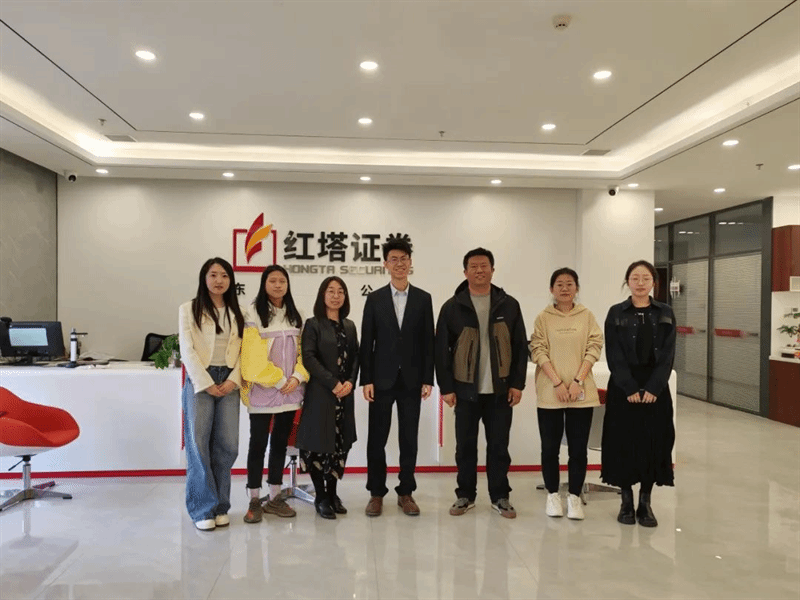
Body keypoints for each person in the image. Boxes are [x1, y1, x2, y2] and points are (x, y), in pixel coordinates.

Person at [435, 248, 528, 519]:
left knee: (499, 446)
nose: (479, 270)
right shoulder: (452, 307)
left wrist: (517, 384)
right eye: (473, 266)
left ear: (492, 270)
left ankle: (500, 496)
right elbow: (441, 351)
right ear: (465, 272)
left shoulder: (509, 305)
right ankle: (465, 494)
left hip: (500, 390)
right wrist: (447, 388)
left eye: (484, 266)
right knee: (465, 447)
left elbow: (520, 347)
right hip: (465, 391)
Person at [360, 239, 434, 517]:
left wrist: (428, 378)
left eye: (404, 258)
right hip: (381, 380)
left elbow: (428, 342)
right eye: (394, 259)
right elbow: (367, 341)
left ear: (410, 262)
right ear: (385, 264)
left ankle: (406, 492)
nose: (399, 263)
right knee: (376, 439)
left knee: (409, 438)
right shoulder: (375, 299)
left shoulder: (423, 299)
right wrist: (366, 379)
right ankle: (376, 493)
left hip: (412, 380)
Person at [602, 260, 676, 527]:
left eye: (646, 278)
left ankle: (645, 502)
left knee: (653, 443)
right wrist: (629, 387)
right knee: (623, 443)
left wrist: (654, 387)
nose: (641, 283)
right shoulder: (616, 312)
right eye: (635, 278)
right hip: (624, 388)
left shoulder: (665, 312)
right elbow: (613, 353)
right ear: (628, 282)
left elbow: (668, 354)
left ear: (654, 282)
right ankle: (625, 501)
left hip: (656, 389)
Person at [529, 268, 604, 520]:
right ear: (551, 289)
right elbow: (538, 349)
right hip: (551, 392)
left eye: (569, 284)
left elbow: (594, 347)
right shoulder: (543, 318)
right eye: (559, 284)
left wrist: (577, 381)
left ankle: (574, 497)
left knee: (578, 449)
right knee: (549, 448)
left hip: (580, 393)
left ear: (577, 288)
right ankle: (552, 495)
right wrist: (558, 383)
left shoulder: (586, 316)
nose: (564, 288)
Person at [178, 258, 245, 531]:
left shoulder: (239, 312)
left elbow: (245, 351)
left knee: (228, 445)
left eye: (224, 275)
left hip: (229, 380)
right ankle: (202, 509)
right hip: (200, 381)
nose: (219, 280)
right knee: (198, 445)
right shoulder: (188, 309)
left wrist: (233, 380)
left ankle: (220, 506)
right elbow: (187, 349)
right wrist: (205, 382)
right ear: (204, 279)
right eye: (213, 275)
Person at [240, 265, 309, 524]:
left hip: (290, 392)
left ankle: (275, 497)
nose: (278, 285)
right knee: (257, 444)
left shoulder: (297, 315)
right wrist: (279, 380)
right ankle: (254, 500)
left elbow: (304, 352)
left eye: (282, 281)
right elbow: (251, 358)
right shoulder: (252, 313)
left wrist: (297, 377)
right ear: (264, 284)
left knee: (280, 443)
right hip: (263, 391)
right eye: (273, 281)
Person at [295, 277, 359, 519]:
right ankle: (321, 497)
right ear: (322, 295)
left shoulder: (350, 326)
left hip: (344, 396)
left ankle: (333, 493)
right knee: (318, 446)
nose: (336, 296)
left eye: (340, 291)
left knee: (339, 446)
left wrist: (350, 382)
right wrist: (333, 383)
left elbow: (356, 358)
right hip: (321, 394)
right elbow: (309, 358)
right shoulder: (313, 324)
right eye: (331, 291)